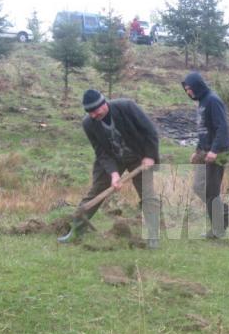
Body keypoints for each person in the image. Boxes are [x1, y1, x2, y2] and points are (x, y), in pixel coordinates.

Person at [58, 89, 160, 248]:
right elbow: (101, 151)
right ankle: (76, 231)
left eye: (95, 110)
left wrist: (150, 156)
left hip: (139, 156)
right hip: (113, 158)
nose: (93, 115)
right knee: (95, 192)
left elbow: (150, 131)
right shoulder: (88, 124)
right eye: (89, 112)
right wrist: (113, 174)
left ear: (104, 103)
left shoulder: (127, 107)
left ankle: (153, 236)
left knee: (147, 194)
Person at [182, 72, 229, 238]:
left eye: (189, 89)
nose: (188, 92)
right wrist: (197, 151)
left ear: (197, 86)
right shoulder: (202, 103)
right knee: (200, 187)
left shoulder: (213, 100)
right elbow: (204, 131)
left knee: (211, 191)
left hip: (218, 152)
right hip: (205, 151)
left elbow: (222, 129)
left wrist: (214, 151)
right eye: (186, 90)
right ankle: (226, 217)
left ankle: (219, 227)